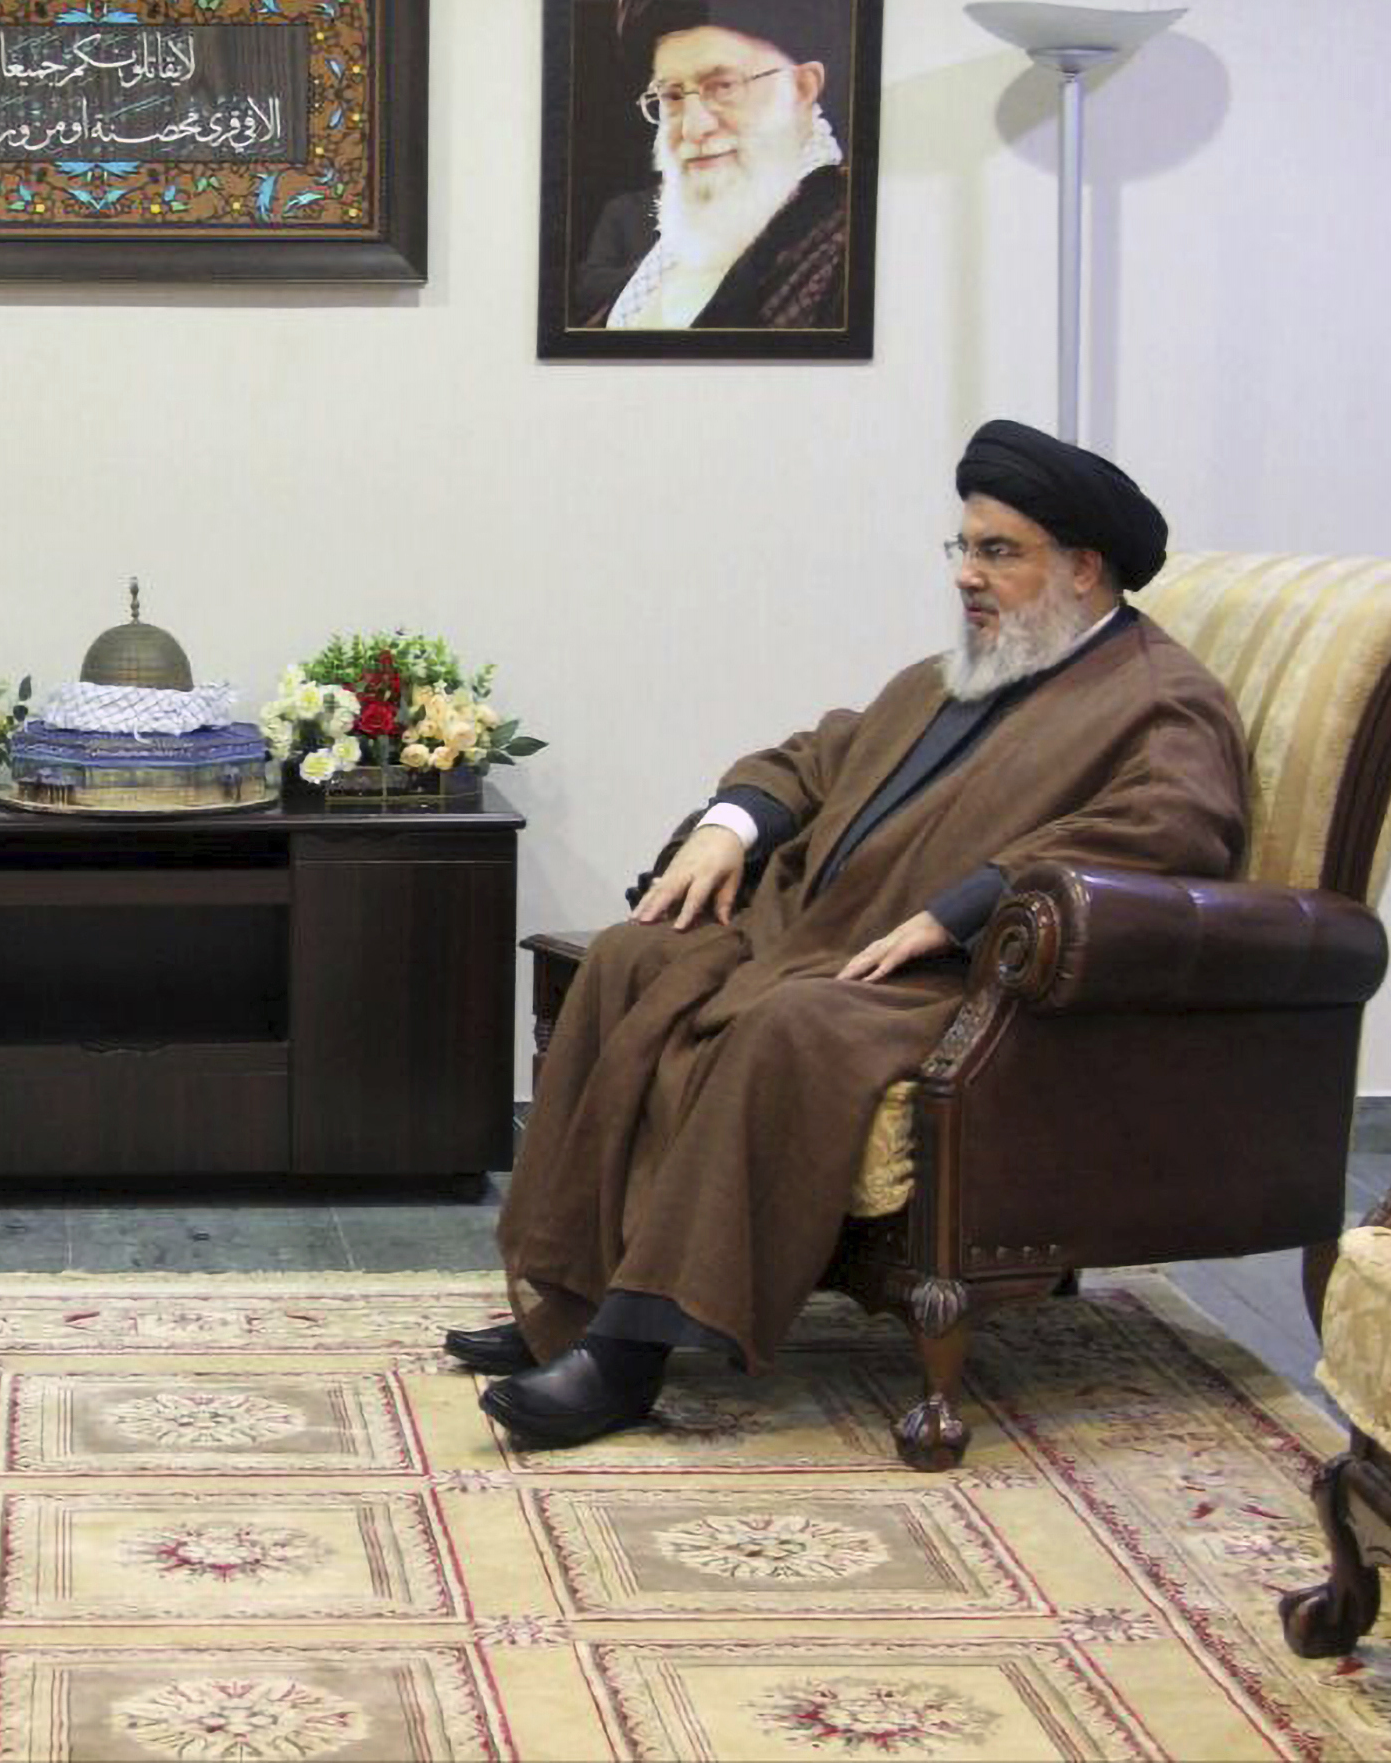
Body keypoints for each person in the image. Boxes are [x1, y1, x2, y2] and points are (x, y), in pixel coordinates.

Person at [455, 420, 1247, 1446]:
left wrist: (958, 907)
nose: (966, 575)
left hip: (961, 983)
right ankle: (561, 1298)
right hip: (810, 927)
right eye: (961, 548)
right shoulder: (955, 673)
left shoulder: (1160, 698)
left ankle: (626, 1356)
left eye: (997, 552)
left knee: (790, 1026)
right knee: (628, 955)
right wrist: (727, 828)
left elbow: (1171, 828)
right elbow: (814, 756)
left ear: (1087, 568)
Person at [578, 0, 853, 331]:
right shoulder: (667, 259)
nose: (693, 127)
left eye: (723, 86)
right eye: (672, 96)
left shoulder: (845, 244)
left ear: (801, 88)